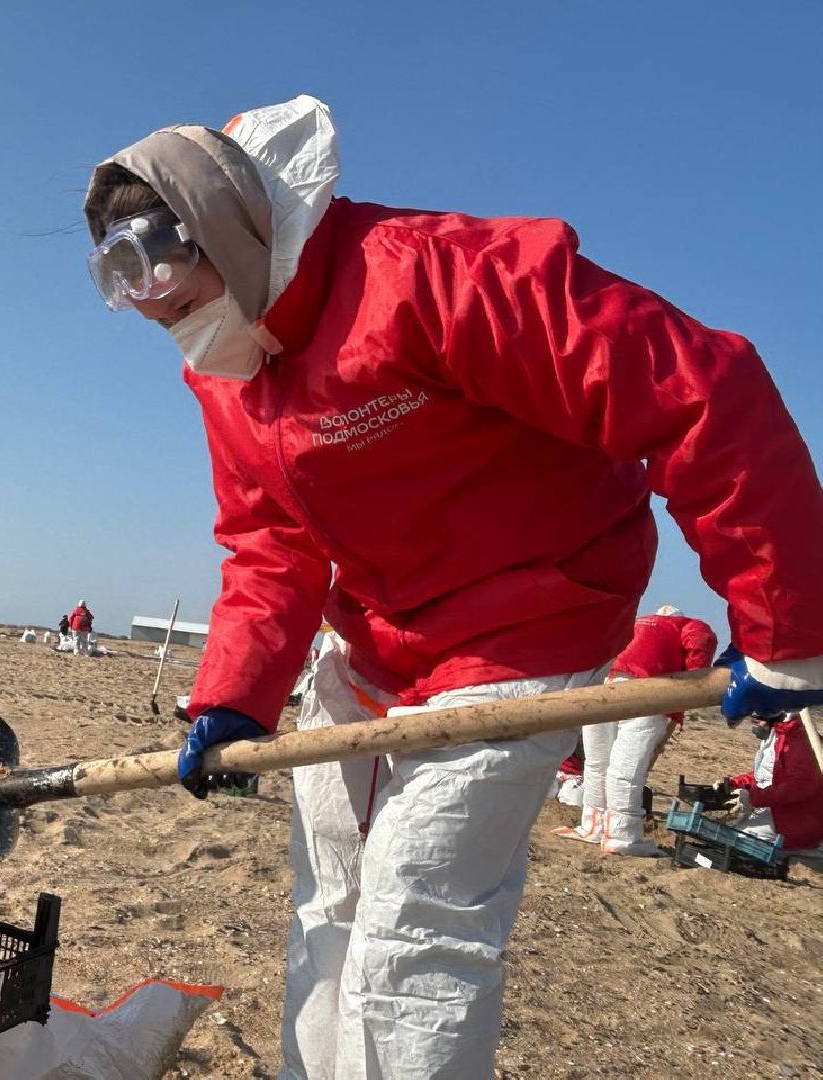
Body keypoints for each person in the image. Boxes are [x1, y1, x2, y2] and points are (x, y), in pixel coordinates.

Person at [82, 94, 823, 1078]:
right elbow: (270, 539)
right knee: (332, 899)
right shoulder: (223, 365)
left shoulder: (430, 276)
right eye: (117, 281)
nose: (148, 305)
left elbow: (698, 389)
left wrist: (786, 626)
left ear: (228, 228)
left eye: (159, 268)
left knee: (416, 907)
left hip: (532, 620)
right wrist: (230, 699)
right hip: (377, 639)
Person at [553, 605, 716, 856]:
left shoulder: (635, 621)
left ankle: (593, 825)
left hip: (605, 685)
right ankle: (622, 836)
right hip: (650, 691)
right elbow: (700, 647)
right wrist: (694, 690)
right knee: (626, 770)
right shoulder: (688, 624)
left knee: (597, 764)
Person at [721, 713, 823, 856]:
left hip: (798, 819)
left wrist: (753, 798)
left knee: (739, 840)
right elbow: (768, 774)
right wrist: (736, 783)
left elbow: (801, 786)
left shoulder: (797, 740)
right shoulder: (777, 735)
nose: (754, 719)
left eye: (759, 715)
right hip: (780, 810)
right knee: (731, 832)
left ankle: (803, 852)